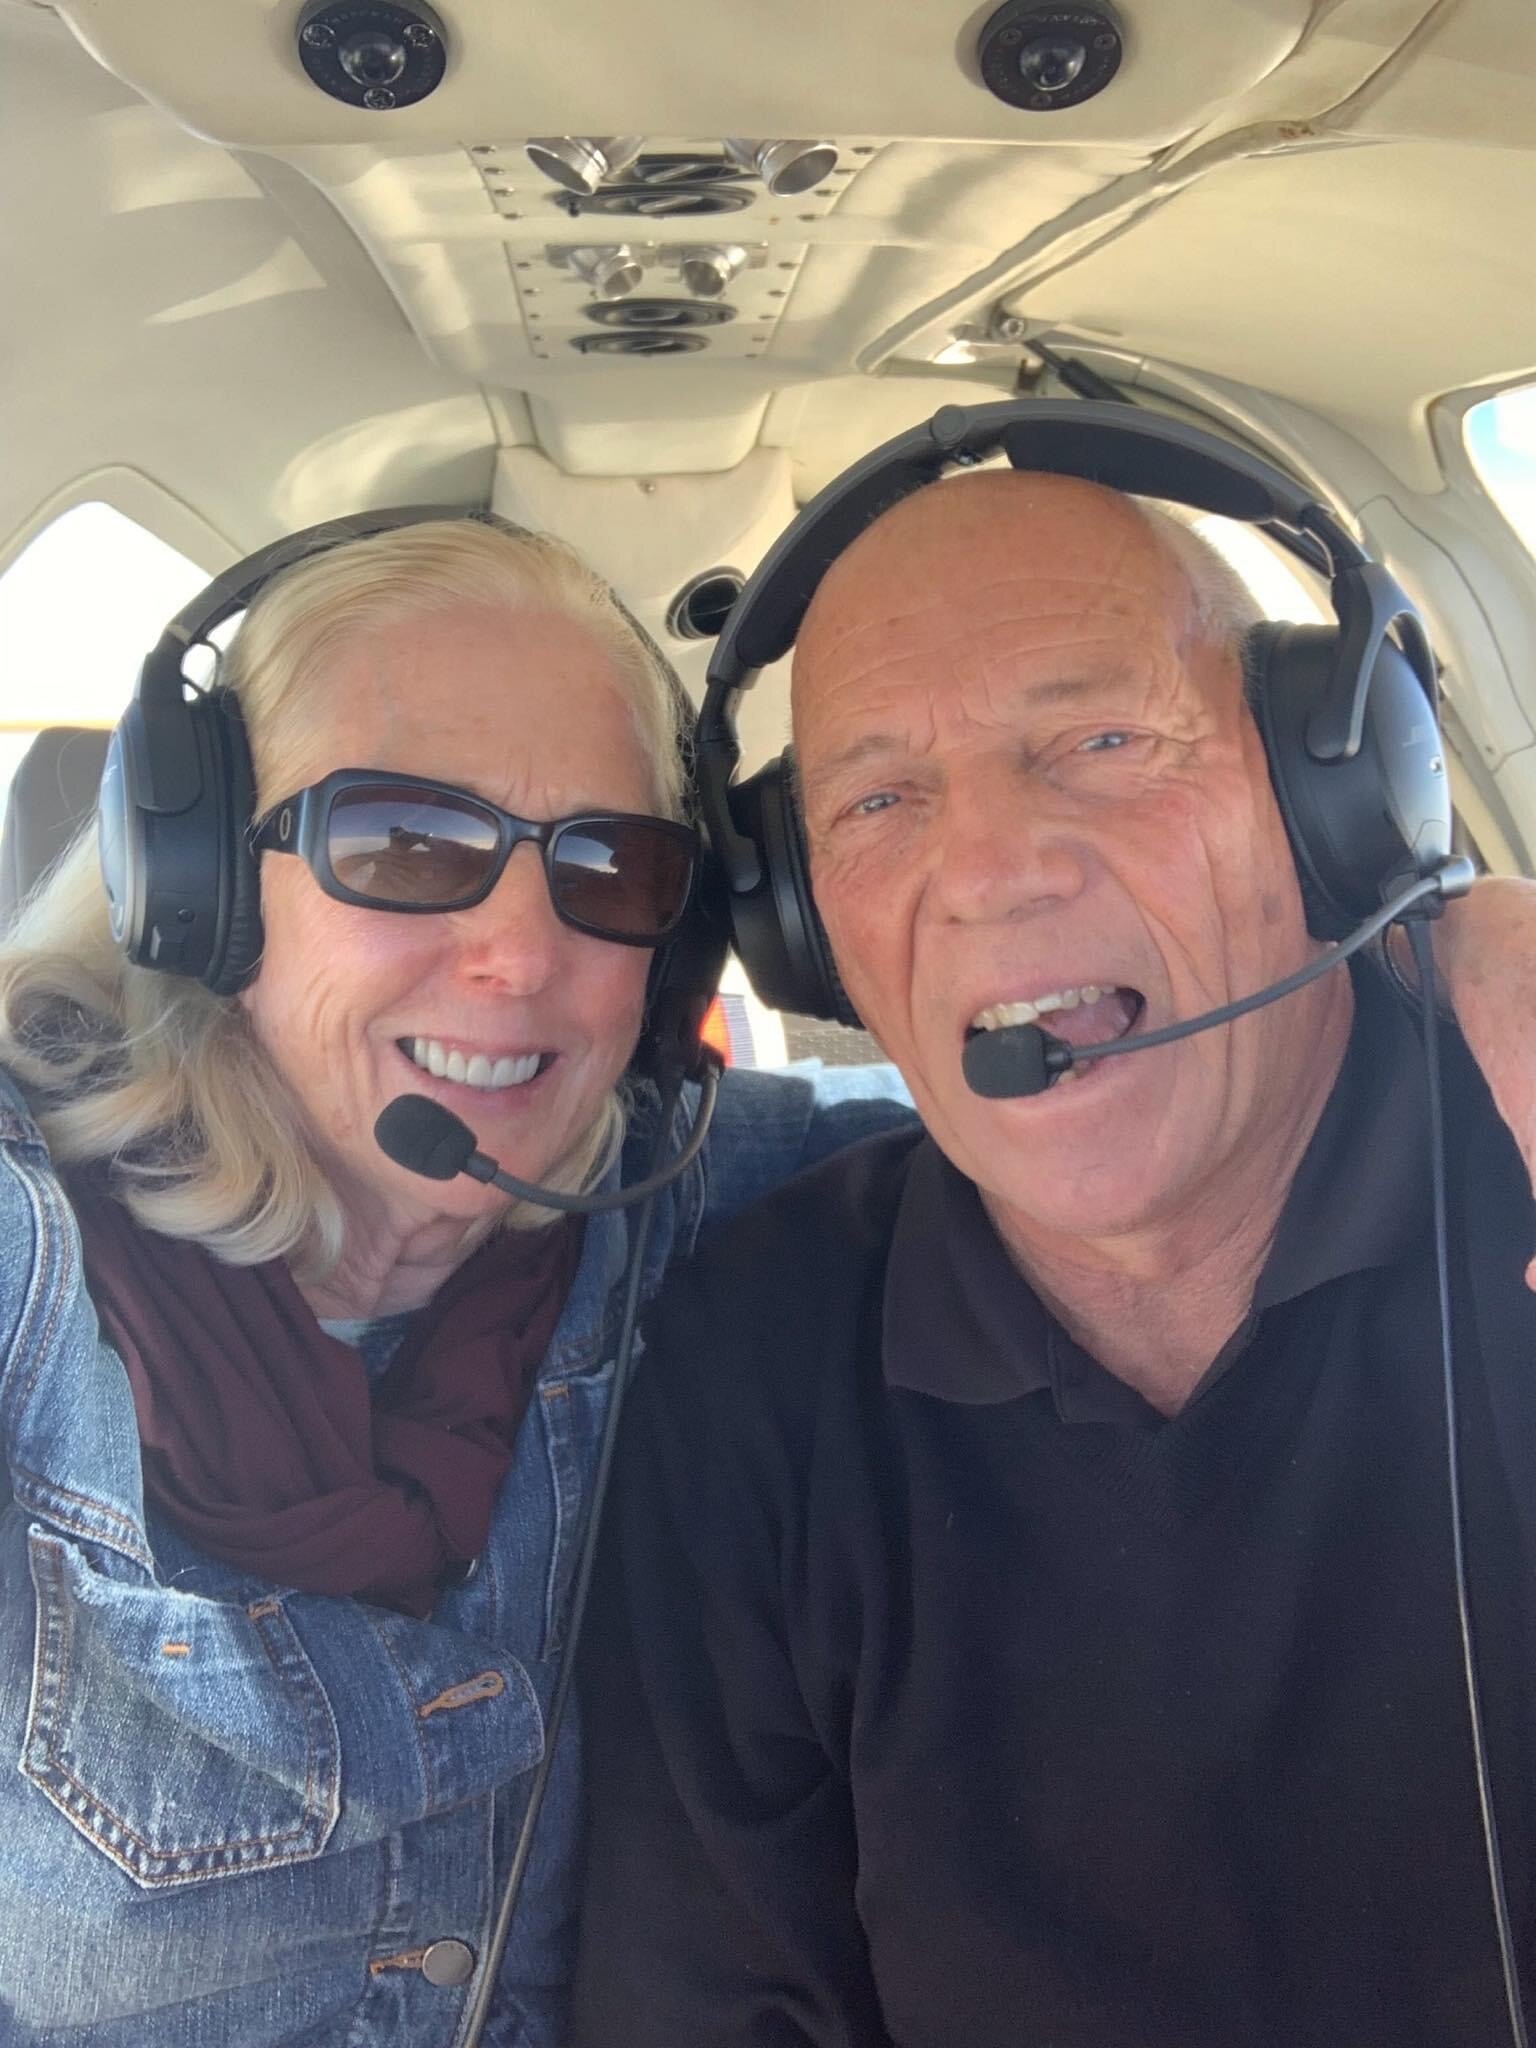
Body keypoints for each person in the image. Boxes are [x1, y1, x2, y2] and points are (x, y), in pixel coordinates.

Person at [572, 468, 1536, 2047]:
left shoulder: (1522, 1181)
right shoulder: (760, 1356)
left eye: (1100, 744)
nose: (995, 868)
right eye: (879, 801)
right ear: (805, 928)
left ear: (1340, 798)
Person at [0, 515, 916, 2048]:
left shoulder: (668, 1208)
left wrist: (1444, 958)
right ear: (203, 875)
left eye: (609, 868)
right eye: (407, 844)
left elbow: (1031, 1112)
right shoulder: (33, 1270)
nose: (519, 956)